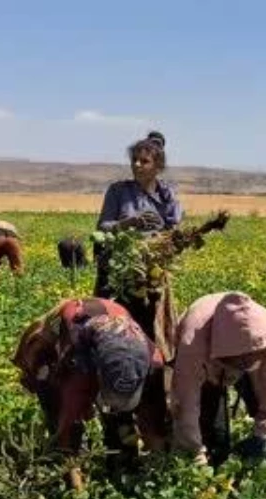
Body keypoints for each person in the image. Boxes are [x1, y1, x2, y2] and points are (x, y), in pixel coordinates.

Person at [12, 298, 167, 490]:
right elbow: (67, 421)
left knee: (121, 423)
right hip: (70, 338)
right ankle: (66, 472)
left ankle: (122, 464)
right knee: (55, 403)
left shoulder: (153, 363)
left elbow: (155, 426)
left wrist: (158, 469)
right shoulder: (77, 372)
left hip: (109, 335)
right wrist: (77, 489)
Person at [172, 292, 266, 466]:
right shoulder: (192, 343)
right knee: (214, 437)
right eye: (239, 361)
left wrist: (262, 434)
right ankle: (211, 455)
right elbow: (186, 401)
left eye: (249, 359)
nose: (244, 363)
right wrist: (194, 451)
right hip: (208, 366)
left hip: (247, 353)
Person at [94, 130, 184, 356]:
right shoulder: (118, 191)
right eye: (134, 160)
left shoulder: (167, 196)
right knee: (112, 329)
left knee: (149, 332)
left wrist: (166, 240)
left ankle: (152, 374)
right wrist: (130, 223)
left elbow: (175, 231)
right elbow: (103, 228)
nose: (137, 165)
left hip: (151, 277)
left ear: (158, 166)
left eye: (144, 161)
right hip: (117, 275)